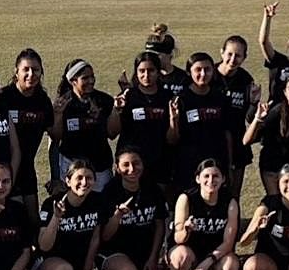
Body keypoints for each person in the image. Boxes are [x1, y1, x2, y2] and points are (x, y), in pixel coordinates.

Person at [37, 159, 108, 270]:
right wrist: (56, 217)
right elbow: (44, 246)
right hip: (52, 264)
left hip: (78, 267)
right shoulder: (52, 204)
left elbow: (95, 240)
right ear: (68, 181)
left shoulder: (98, 201)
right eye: (79, 178)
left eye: (89, 178)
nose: (84, 182)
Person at [168, 159, 240, 270]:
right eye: (206, 176)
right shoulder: (186, 198)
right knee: (181, 256)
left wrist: (206, 264)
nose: (211, 180)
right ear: (197, 178)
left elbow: (228, 243)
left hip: (214, 253)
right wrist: (186, 229)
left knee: (231, 267)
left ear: (223, 179)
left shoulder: (230, 202)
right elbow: (178, 238)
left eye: (216, 176)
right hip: (189, 250)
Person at [99, 148, 167, 270]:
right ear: (117, 167)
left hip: (143, 253)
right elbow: (105, 237)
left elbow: (159, 225)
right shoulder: (110, 191)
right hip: (114, 252)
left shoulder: (152, 188)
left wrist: (153, 258)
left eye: (136, 163)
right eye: (126, 165)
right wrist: (117, 216)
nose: (132, 169)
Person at [167, 53, 233, 191]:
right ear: (189, 72)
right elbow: (172, 140)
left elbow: (227, 134)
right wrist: (174, 119)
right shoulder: (180, 100)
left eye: (207, 69)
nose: (203, 74)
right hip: (188, 166)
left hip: (216, 164)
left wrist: (229, 164)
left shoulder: (221, 98)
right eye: (198, 70)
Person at [243, 74, 289, 196]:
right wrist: (257, 119)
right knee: (275, 203)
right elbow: (246, 140)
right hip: (273, 164)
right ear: (285, 92)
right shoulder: (276, 111)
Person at [50, 59, 115, 191]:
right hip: (71, 168)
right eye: (85, 78)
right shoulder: (63, 104)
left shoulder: (104, 100)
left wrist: (108, 113)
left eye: (92, 76)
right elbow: (55, 139)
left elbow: (112, 134)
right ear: (73, 80)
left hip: (100, 168)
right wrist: (57, 115)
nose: (91, 81)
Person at [112, 52, 173, 191]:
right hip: (132, 164)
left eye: (151, 70)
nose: (146, 75)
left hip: (160, 161)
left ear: (158, 72)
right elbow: (112, 133)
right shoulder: (128, 96)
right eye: (141, 71)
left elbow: (172, 138)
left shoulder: (168, 97)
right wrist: (117, 110)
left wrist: (173, 119)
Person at [2, 49, 53, 215]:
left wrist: (58, 113)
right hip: (3, 173)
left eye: (36, 70)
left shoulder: (42, 101)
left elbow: (55, 135)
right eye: (26, 69)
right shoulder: (4, 98)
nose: (31, 74)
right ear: (16, 72)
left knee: (33, 223)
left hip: (28, 171)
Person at [216, 35, 261, 199]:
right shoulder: (209, 74)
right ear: (222, 52)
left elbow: (248, 117)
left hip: (237, 142)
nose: (233, 59)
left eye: (238, 55)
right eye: (229, 54)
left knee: (233, 194)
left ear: (244, 57)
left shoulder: (245, 79)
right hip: (212, 140)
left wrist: (254, 103)